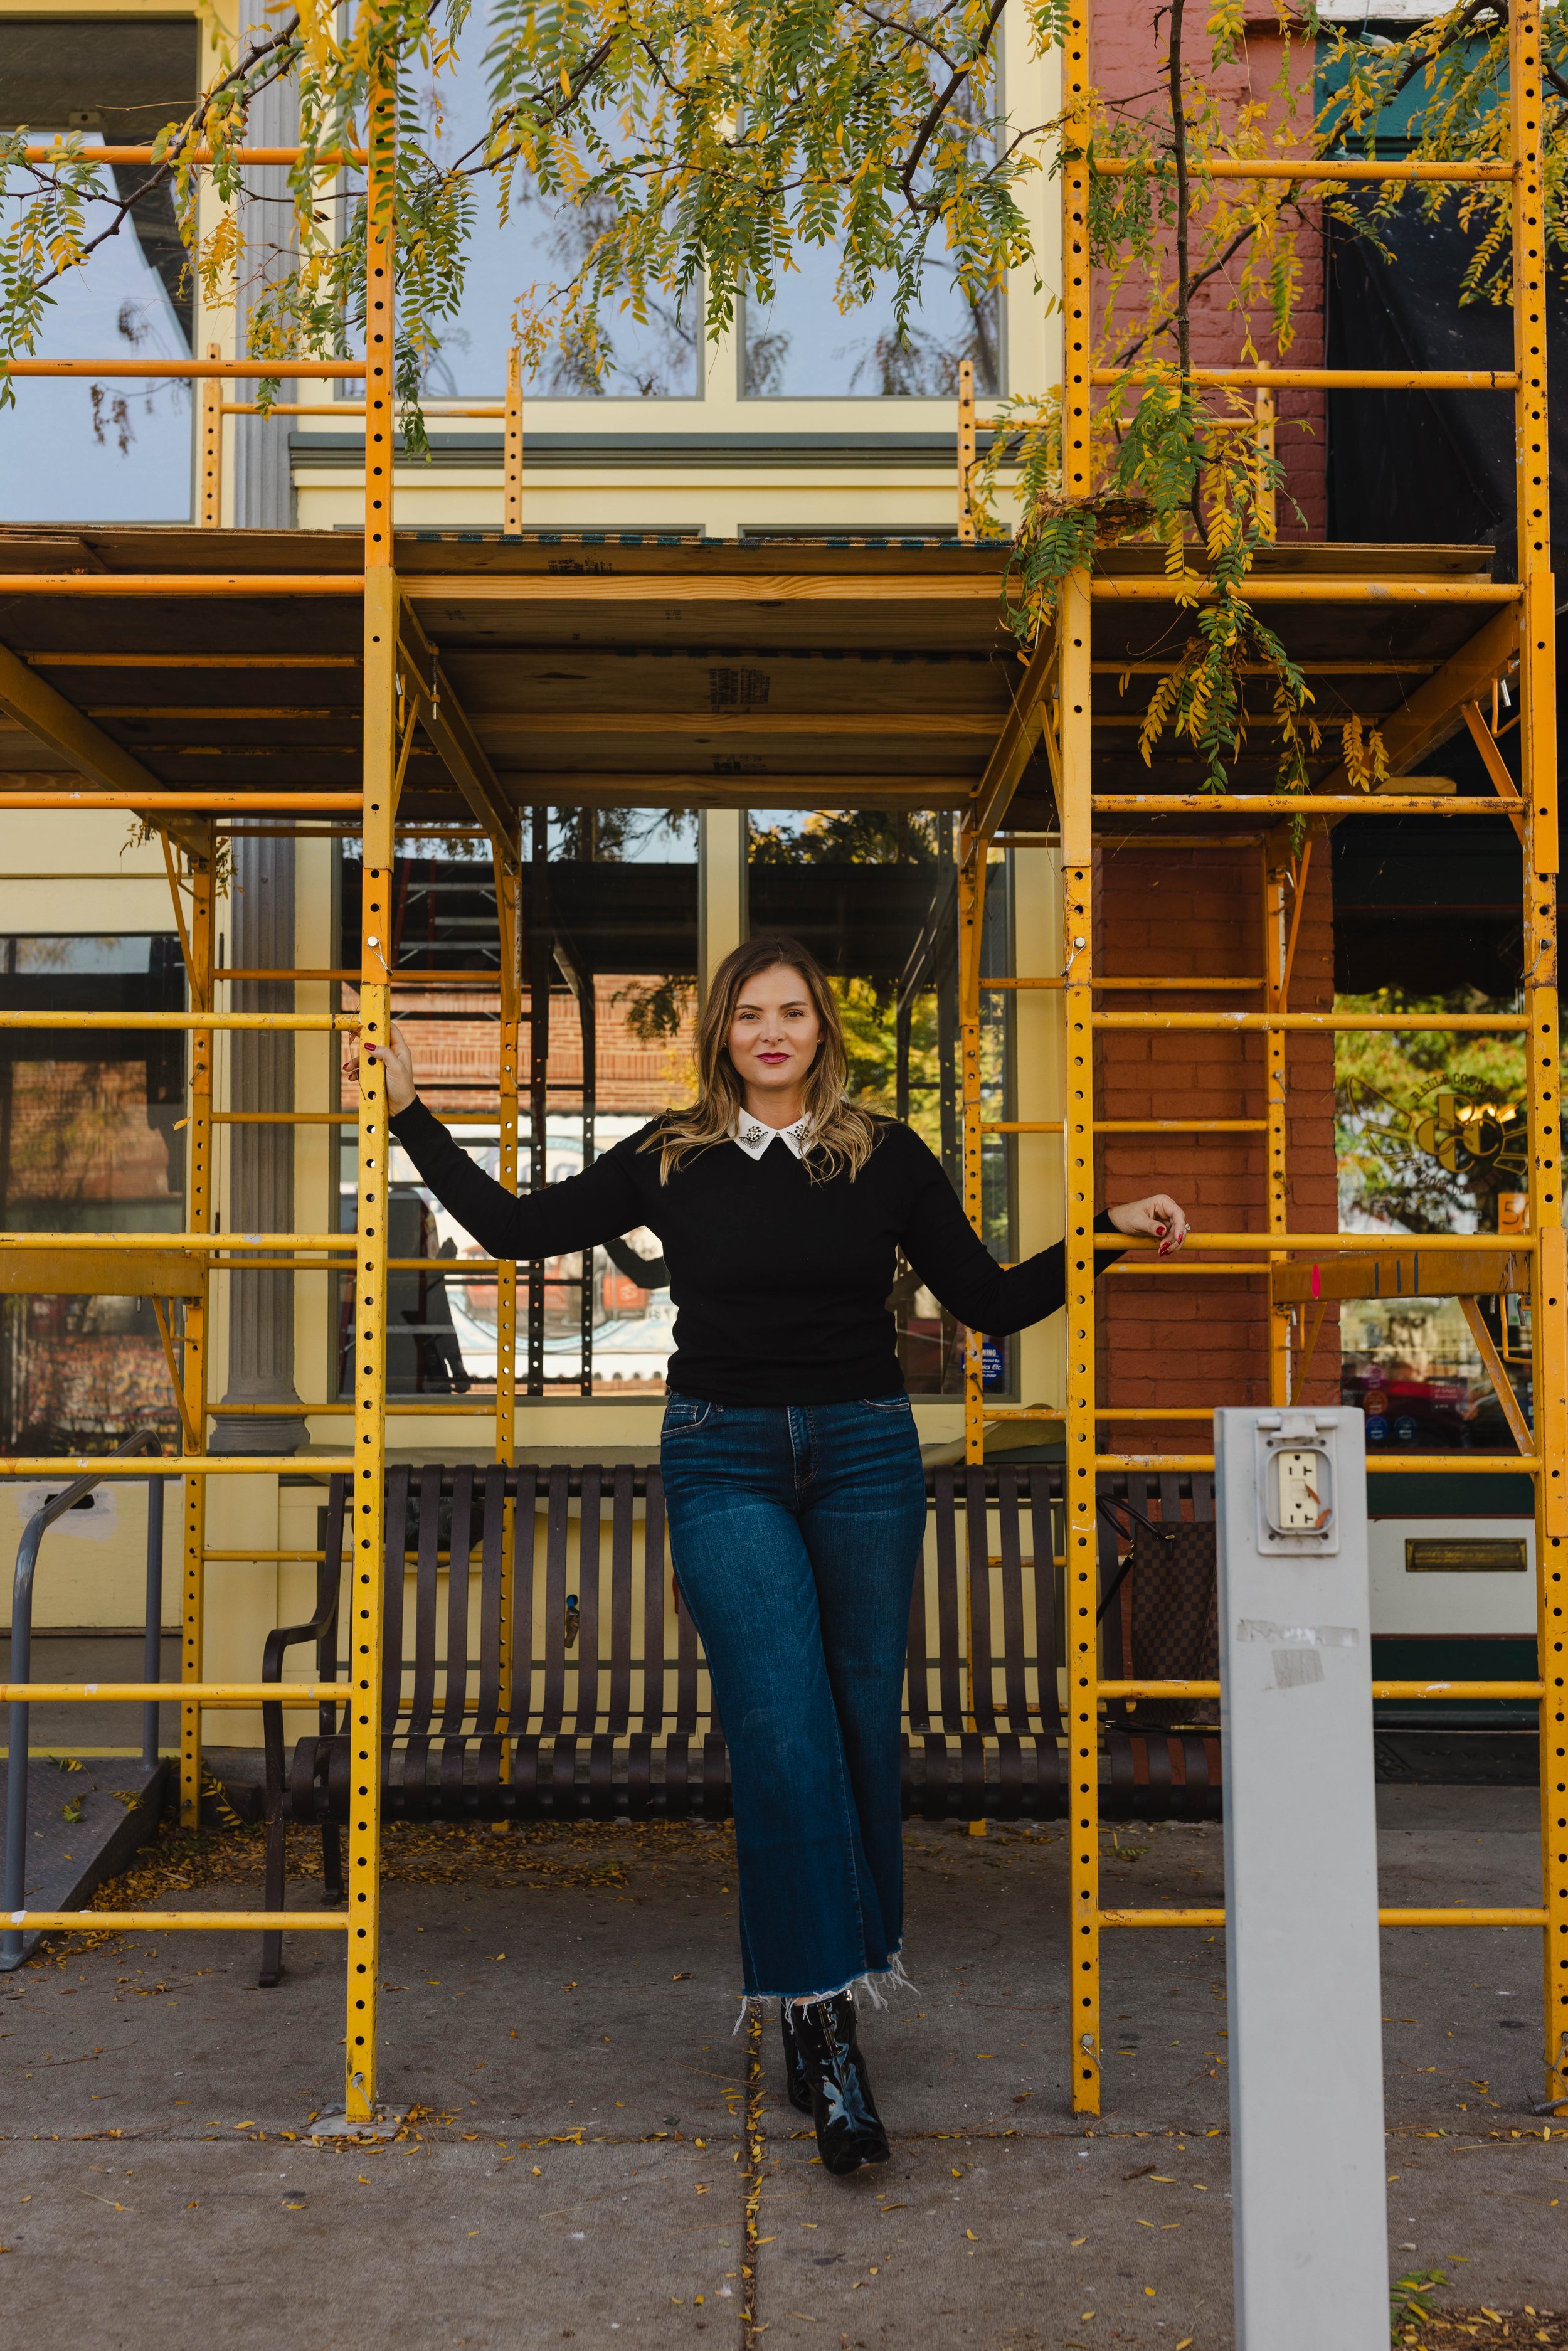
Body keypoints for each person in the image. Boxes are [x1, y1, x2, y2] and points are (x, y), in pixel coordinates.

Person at [346, 933, 1188, 2177]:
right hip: (722, 1455)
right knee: (782, 1726)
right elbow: (512, 1228)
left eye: (792, 1011)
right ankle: (826, 2026)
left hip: (862, 1455)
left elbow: (990, 1301)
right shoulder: (671, 1157)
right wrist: (414, 1109)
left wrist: (1107, 1229)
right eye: (750, 1014)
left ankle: (819, 1992)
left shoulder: (884, 1154)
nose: (772, 1032)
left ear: (821, 1031)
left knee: (854, 1728)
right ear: (721, 1036)